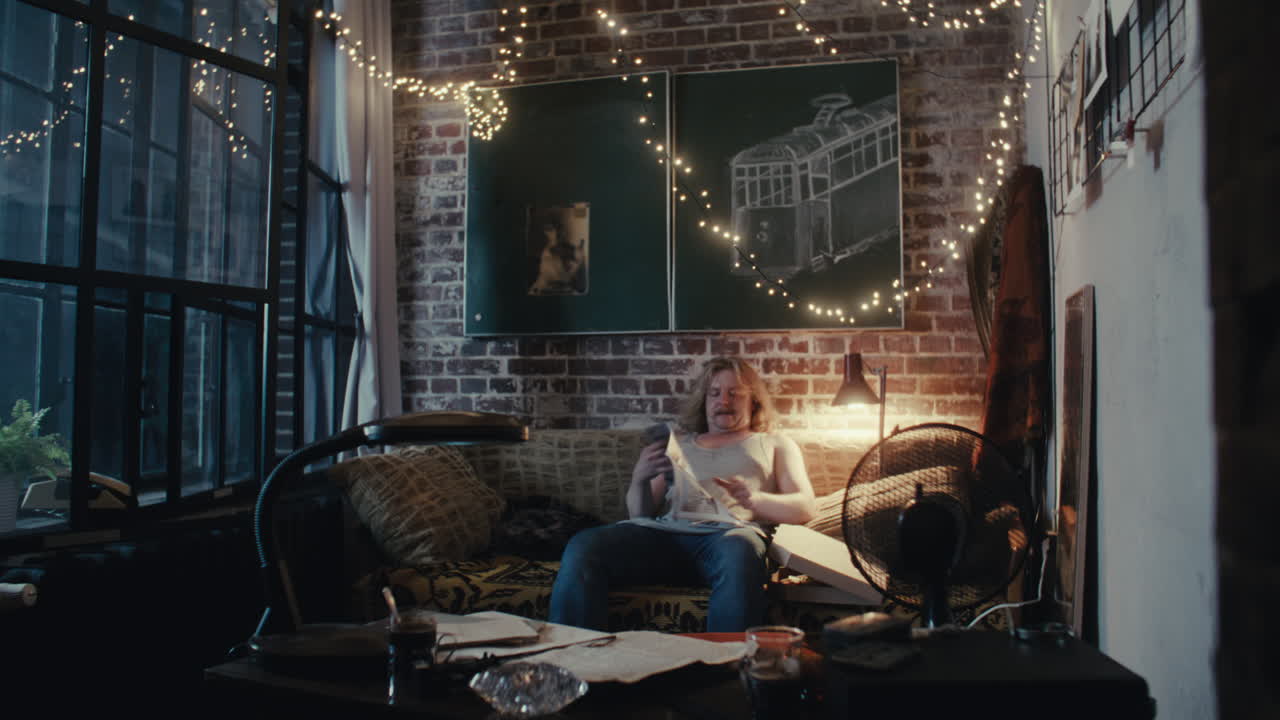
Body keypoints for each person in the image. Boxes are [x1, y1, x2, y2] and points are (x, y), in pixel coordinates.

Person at [549, 357, 817, 632]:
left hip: (728, 538)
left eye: (734, 393)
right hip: (665, 537)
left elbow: (806, 507)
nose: (723, 401)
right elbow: (639, 514)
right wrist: (640, 479)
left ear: (754, 401)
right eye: (714, 393)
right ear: (704, 401)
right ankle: (574, 649)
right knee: (585, 544)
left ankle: (730, 656)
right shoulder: (680, 444)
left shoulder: (775, 443)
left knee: (741, 549)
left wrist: (755, 500)